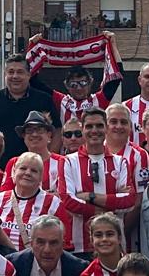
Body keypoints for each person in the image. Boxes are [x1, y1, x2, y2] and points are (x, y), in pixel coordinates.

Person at [48, 108, 134, 257]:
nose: (94, 130)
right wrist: (105, 212)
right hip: (78, 247)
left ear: (106, 128)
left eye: (99, 126)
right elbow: (68, 201)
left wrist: (90, 196)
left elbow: (128, 200)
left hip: (114, 246)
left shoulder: (120, 162)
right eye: (89, 126)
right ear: (83, 129)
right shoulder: (68, 161)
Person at [0, 153, 63, 251]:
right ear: (14, 172)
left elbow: (62, 243)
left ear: (41, 177)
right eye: (23, 168)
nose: (28, 173)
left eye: (34, 171)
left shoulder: (54, 203)